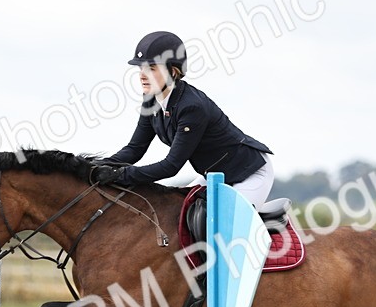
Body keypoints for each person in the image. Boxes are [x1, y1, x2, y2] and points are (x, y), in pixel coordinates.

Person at [93, 31, 275, 209]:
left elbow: (171, 166)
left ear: (173, 72)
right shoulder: (151, 100)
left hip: (249, 172)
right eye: (140, 68)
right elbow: (135, 149)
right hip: (215, 174)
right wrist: (94, 166)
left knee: (227, 221)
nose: (142, 75)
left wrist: (120, 175)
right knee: (179, 211)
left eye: (151, 69)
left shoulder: (192, 107)